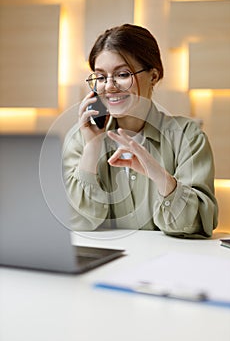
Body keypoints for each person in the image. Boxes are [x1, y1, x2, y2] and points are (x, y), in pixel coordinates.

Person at [63, 23, 218, 238]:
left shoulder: (188, 136)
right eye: (100, 77)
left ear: (153, 76)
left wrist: (159, 175)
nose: (109, 86)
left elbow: (195, 224)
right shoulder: (79, 138)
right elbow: (78, 222)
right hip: (105, 268)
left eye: (123, 74)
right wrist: (92, 148)